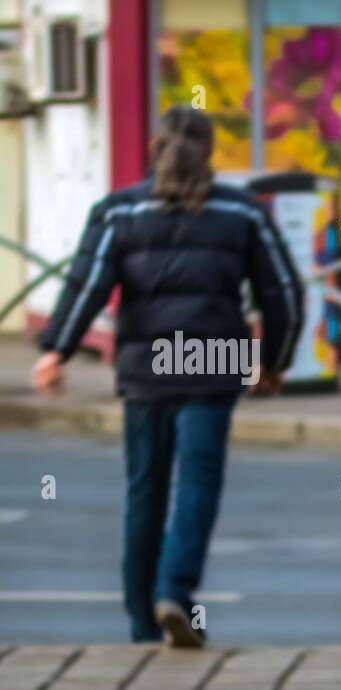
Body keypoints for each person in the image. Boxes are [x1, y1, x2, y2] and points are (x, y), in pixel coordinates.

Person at [30, 106, 302, 648]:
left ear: (157, 148)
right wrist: (274, 361)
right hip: (212, 362)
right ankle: (175, 591)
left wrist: (56, 350)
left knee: (145, 492)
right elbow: (284, 295)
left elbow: (87, 283)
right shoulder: (242, 212)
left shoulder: (118, 211)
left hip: (147, 365)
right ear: (210, 152)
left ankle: (140, 624)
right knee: (198, 483)